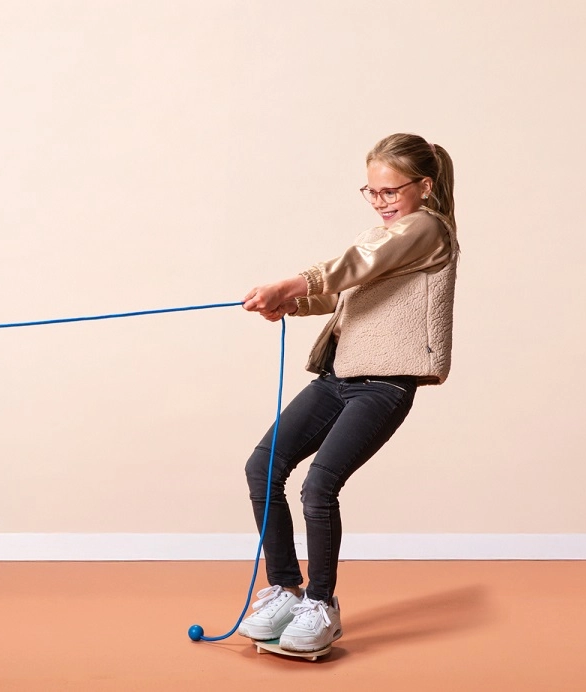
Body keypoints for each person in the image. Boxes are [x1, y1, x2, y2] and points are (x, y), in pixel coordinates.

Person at [235, 134, 460, 653]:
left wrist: (289, 285)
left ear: (425, 187)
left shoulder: (427, 228)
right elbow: (347, 291)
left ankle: (321, 604)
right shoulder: (389, 238)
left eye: (391, 191)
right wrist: (293, 304)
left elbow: (354, 263)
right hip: (339, 377)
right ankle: (285, 590)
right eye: (372, 191)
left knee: (319, 487)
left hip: (384, 384)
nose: (380, 201)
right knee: (263, 467)